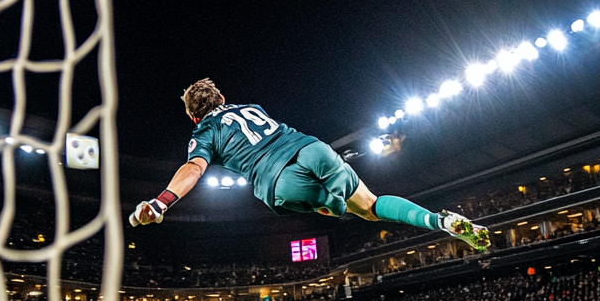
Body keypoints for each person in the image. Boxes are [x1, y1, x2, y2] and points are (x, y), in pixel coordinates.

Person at [129, 79, 490, 252]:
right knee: (371, 204)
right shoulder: (252, 107)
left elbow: (193, 168)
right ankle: (441, 221)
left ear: (194, 117)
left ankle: (333, 204)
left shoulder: (204, 131)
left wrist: (161, 202)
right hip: (313, 148)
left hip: (279, 183)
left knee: (349, 212)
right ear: (222, 98)